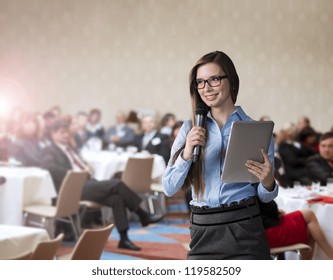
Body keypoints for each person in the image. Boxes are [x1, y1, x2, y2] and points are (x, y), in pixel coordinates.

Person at [162, 51, 278, 260]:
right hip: (202, 229)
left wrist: (268, 182)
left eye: (214, 79)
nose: (206, 88)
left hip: (245, 226)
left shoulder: (256, 130)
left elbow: (264, 196)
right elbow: (169, 187)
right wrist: (187, 153)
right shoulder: (189, 128)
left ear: (231, 81)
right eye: (200, 82)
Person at [41, 118, 163, 250]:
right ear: (53, 134)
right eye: (62, 132)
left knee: (117, 198)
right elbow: (49, 167)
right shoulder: (50, 150)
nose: (66, 135)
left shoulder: (69, 147)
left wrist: (86, 166)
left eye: (66, 132)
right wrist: (75, 172)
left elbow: (79, 162)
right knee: (116, 183)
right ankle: (142, 215)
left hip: (87, 183)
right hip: (74, 187)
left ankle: (124, 238)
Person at [259, 200, 333, 259]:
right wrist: (276, 212)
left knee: (309, 231)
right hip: (263, 234)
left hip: (254, 236)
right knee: (309, 214)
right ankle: (331, 255)